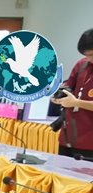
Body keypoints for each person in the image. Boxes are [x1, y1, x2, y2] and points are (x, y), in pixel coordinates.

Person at [51, 28, 93, 159]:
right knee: (60, 171)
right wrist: (59, 96)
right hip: (68, 137)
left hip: (89, 142)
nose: (89, 59)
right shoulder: (82, 65)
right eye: (86, 55)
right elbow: (68, 87)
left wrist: (76, 103)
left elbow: (74, 101)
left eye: (91, 55)